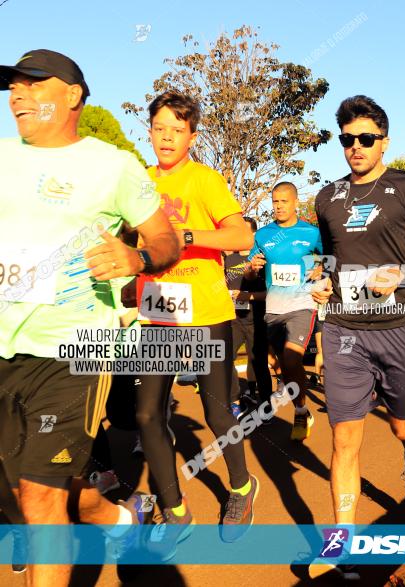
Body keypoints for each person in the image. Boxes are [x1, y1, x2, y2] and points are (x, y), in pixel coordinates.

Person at [0, 49, 180, 584]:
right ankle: (117, 517)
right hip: (6, 346)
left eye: (33, 83)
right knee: (20, 489)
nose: (18, 94)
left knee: (39, 496)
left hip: (75, 348)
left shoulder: (111, 165)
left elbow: (165, 240)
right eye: (13, 86)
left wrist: (137, 259)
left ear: (74, 95)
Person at [309, 95, 405, 580]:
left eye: (365, 139)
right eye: (347, 139)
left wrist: (404, 272)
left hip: (399, 328)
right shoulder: (327, 197)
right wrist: (323, 280)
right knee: (344, 435)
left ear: (384, 142)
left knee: (400, 424)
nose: (355, 147)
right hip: (344, 329)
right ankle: (339, 543)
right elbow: (327, 256)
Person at [135, 90, 258, 558]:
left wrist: (186, 235)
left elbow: (242, 235)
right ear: (149, 131)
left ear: (192, 135)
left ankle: (242, 489)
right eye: (160, 128)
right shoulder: (140, 181)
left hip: (205, 312)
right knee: (147, 413)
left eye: (177, 130)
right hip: (158, 312)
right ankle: (176, 510)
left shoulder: (204, 180)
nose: (167, 137)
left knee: (216, 411)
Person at [247, 182, 322, 440]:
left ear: (295, 202)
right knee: (282, 366)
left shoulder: (311, 233)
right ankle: (302, 408)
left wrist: (323, 267)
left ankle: (299, 413)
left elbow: (331, 258)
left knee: (291, 358)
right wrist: (252, 266)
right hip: (273, 309)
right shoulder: (263, 235)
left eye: (284, 201)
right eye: (275, 201)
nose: (278, 206)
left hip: (302, 305)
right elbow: (249, 267)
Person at [225, 216, 271, 416]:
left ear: (253, 234)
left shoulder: (263, 260)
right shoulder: (230, 259)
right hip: (233, 319)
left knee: (259, 362)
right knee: (225, 358)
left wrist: (246, 296)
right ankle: (236, 400)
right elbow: (224, 285)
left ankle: (266, 404)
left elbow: (271, 293)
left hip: (256, 320)